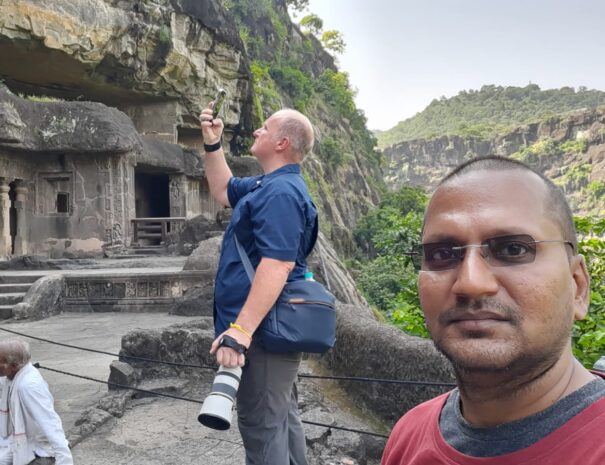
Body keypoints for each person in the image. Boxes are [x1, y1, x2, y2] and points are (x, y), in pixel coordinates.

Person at [381, 155, 605, 464]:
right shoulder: (408, 435)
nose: (471, 283)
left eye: (513, 249)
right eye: (442, 253)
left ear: (577, 286)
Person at [199, 104, 316, 465]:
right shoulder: (268, 184)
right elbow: (222, 190)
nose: (256, 132)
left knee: (262, 426)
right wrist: (212, 144)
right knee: (281, 421)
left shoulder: (282, 194)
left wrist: (240, 332)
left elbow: (277, 264)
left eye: (264, 128)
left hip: (263, 333)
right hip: (264, 330)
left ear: (281, 142)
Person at [0, 338, 73, 465]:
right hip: (17, 444)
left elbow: (50, 422)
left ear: (13, 366)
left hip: (39, 452)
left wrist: (64, 459)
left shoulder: (28, 386)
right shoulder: (11, 377)